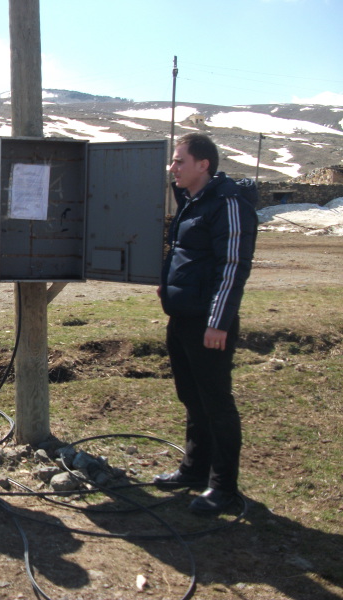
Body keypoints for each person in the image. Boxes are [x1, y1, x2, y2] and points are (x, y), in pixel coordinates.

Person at [154, 133, 258, 514]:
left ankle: (223, 487)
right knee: (192, 398)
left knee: (216, 404)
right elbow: (185, 255)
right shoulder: (192, 201)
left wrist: (218, 323)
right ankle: (195, 470)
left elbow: (232, 267)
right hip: (182, 319)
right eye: (173, 161)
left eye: (180, 161)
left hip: (209, 325)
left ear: (204, 165)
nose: (173, 167)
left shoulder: (229, 204)